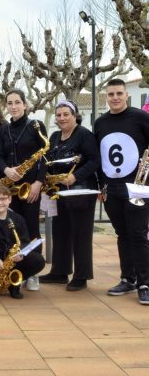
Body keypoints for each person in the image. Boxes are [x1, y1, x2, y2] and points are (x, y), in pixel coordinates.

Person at [94, 78, 149, 305]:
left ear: (126, 95)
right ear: (106, 97)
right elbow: (99, 156)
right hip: (112, 187)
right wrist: (100, 186)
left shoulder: (141, 118)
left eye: (119, 93)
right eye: (111, 94)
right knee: (122, 234)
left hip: (137, 185)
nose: (115, 98)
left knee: (138, 234)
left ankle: (145, 283)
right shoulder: (100, 123)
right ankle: (128, 278)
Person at [39, 100, 100, 290]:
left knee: (81, 234)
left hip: (81, 191)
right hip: (59, 192)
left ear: (75, 116)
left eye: (66, 114)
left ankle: (81, 277)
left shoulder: (84, 135)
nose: (62, 118)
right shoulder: (55, 136)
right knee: (61, 231)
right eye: (59, 115)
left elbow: (95, 160)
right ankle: (60, 271)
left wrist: (75, 176)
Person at [0, 89, 48, 291]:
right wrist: (6, 170)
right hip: (11, 187)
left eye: (17, 102)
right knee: (13, 231)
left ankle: (33, 273)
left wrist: (38, 183)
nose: (14, 106)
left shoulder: (35, 125)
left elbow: (44, 156)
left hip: (31, 187)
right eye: (10, 103)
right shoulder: (4, 129)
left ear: (25, 105)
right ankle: (17, 269)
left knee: (33, 229)